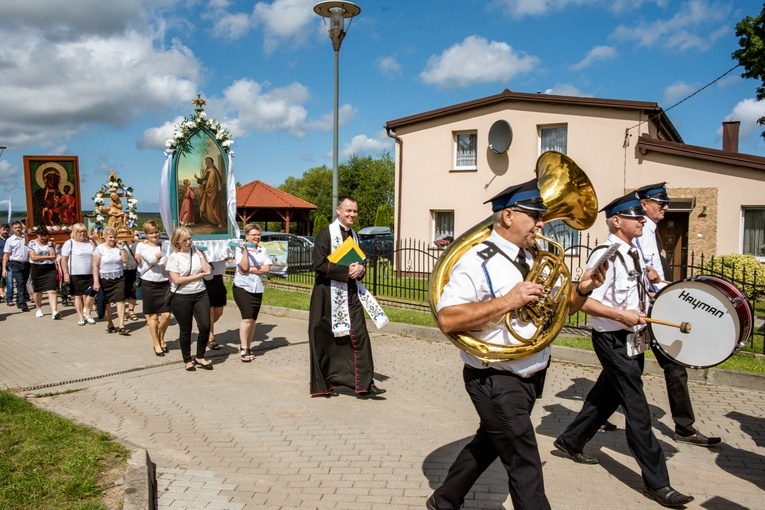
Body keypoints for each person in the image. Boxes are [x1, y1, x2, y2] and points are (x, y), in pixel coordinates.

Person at [425, 179, 605, 510]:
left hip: (530, 372)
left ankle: (445, 499)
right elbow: (448, 318)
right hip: (494, 376)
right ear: (508, 216)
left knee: (490, 442)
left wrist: (582, 289)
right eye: (535, 216)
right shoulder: (476, 261)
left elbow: (562, 305)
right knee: (524, 463)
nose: (542, 224)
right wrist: (508, 301)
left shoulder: (535, 256)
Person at [554, 191, 694, 508]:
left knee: (608, 393)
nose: (642, 220)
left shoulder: (631, 252)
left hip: (631, 337)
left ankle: (571, 440)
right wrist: (621, 315)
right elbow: (584, 302)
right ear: (617, 221)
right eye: (635, 216)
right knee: (637, 409)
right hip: (612, 339)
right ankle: (658, 483)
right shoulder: (605, 255)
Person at [634, 182, 722, 447]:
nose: (666, 208)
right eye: (661, 203)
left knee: (653, 365)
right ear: (644, 204)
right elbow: (640, 266)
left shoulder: (650, 230)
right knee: (653, 365)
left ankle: (684, 427)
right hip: (649, 309)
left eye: (666, 203)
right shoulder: (640, 231)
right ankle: (685, 428)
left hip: (659, 305)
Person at [308, 196, 388, 398]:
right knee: (326, 339)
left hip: (350, 294)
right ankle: (327, 383)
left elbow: (360, 261)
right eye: (348, 211)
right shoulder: (326, 234)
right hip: (327, 295)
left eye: (355, 211)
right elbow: (318, 264)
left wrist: (360, 268)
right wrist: (346, 271)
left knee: (359, 335)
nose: (352, 214)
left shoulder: (354, 235)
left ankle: (364, 384)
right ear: (338, 210)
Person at [166, 226, 213, 371]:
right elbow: (177, 280)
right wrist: (198, 276)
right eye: (184, 240)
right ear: (177, 242)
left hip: (200, 293)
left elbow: (208, 271)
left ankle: (200, 356)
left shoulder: (196, 252)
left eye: (190, 238)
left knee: (205, 326)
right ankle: (187, 359)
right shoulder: (174, 257)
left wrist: (200, 255)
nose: (188, 242)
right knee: (186, 329)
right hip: (181, 297)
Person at [232, 224, 271, 362]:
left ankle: (249, 346)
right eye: (253, 235)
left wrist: (251, 269)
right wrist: (246, 252)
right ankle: (243, 348)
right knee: (247, 317)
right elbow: (243, 267)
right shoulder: (239, 250)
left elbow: (266, 268)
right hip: (242, 287)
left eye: (258, 234)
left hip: (257, 287)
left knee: (253, 320)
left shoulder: (262, 250)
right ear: (247, 236)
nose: (256, 237)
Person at [135, 220, 172, 357]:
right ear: (146, 234)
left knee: (167, 315)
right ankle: (156, 343)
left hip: (164, 283)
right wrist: (164, 251)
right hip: (149, 284)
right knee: (153, 316)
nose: (154, 235)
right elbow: (151, 260)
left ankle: (161, 337)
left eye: (156, 232)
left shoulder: (163, 245)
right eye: (151, 233)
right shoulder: (142, 246)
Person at [93, 226, 130, 335]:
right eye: (110, 237)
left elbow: (125, 260)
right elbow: (95, 266)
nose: (112, 239)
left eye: (114, 237)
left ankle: (121, 325)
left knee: (120, 300)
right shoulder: (99, 249)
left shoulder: (118, 248)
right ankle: (110, 323)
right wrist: (96, 282)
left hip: (118, 277)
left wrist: (122, 248)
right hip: (104, 278)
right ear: (105, 237)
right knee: (107, 303)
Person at [60, 223, 98, 326]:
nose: (82, 234)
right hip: (75, 273)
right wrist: (66, 274)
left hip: (89, 272)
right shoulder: (69, 243)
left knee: (91, 294)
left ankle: (87, 312)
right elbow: (64, 260)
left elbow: (96, 253)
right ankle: (80, 316)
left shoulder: (89, 242)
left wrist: (93, 241)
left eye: (84, 232)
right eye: (79, 232)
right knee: (78, 296)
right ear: (75, 232)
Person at [27, 226, 60, 319]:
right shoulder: (32, 243)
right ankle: (38, 309)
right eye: (41, 235)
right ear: (37, 235)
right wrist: (48, 257)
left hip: (49, 268)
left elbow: (54, 256)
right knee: (38, 291)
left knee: (52, 290)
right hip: (37, 269)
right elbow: (33, 257)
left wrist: (50, 246)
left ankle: (54, 311)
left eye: (45, 235)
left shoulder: (51, 243)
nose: (43, 238)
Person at [2, 221, 31, 311]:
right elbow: (6, 255)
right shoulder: (10, 240)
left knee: (24, 283)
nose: (18, 229)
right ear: (12, 229)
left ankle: (19, 300)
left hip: (26, 263)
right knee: (20, 282)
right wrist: (4, 269)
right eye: (15, 228)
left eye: (19, 227)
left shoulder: (26, 237)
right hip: (15, 264)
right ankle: (23, 304)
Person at [194, 156, 225, 228]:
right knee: (206, 209)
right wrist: (198, 179)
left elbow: (212, 184)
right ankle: (209, 222)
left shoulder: (213, 172)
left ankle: (218, 222)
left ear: (209, 163)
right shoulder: (207, 171)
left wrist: (205, 185)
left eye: (206, 162)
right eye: (205, 162)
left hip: (211, 193)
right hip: (207, 193)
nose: (205, 163)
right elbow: (203, 180)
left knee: (213, 208)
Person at [204, 258, 227, 351]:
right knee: (210, 310)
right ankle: (211, 337)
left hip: (218, 278)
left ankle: (204, 327)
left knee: (219, 311)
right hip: (205, 278)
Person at [123, 235, 139, 321]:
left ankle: (131, 310)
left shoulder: (135, 242)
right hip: (121, 268)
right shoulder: (119, 242)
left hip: (133, 267)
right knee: (122, 291)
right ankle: (123, 312)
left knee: (133, 290)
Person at [0, 223, 11, 304]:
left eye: (7, 230)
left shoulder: (10, 239)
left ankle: (8, 297)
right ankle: (1, 293)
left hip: (8, 262)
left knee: (8, 279)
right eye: (4, 230)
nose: (5, 232)